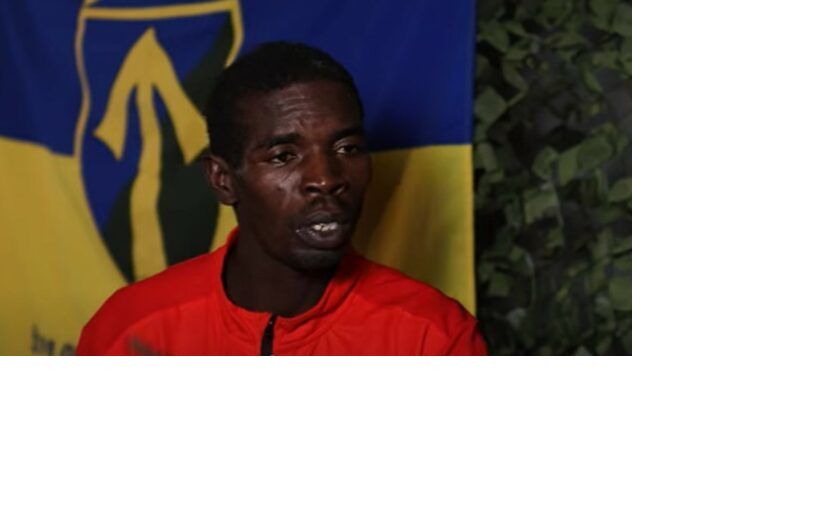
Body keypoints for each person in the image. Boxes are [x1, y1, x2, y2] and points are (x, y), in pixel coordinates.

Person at [76, 41, 487, 355]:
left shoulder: (431, 336)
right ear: (222, 179)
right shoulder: (130, 329)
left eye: (347, 148)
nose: (326, 179)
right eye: (284, 156)